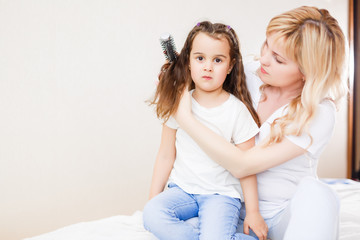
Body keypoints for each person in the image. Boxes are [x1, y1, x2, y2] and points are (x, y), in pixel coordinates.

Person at [172, 6, 347, 240]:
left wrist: (185, 119)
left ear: (307, 71)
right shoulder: (249, 75)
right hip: (223, 207)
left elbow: (243, 165)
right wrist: (174, 80)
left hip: (278, 216)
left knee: (321, 195)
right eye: (267, 44)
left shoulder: (318, 112)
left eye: (278, 59)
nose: (263, 58)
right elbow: (197, 81)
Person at [143, 21, 268, 240]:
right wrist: (152, 201)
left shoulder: (236, 110)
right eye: (200, 58)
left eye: (217, 60)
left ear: (230, 66)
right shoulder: (179, 104)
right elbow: (165, 155)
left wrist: (254, 212)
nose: (208, 66)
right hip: (183, 190)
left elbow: (247, 166)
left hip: (221, 195)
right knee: (152, 215)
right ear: (188, 62)